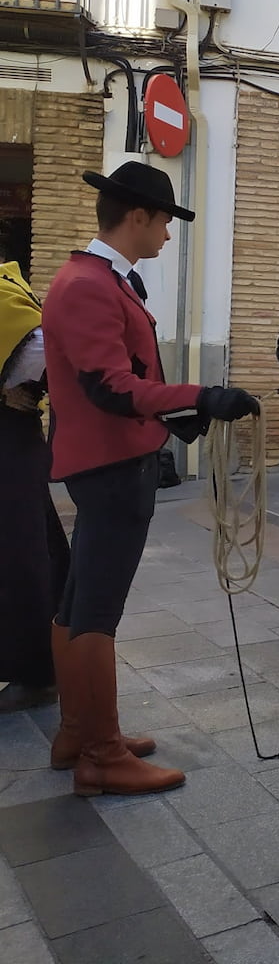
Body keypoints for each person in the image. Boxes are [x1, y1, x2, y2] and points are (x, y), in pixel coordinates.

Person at [41, 160, 260, 798]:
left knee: (78, 600)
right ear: (138, 216)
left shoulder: (102, 279)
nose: (167, 235)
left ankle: (78, 733)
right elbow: (111, 387)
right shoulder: (87, 283)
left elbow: (124, 377)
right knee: (96, 612)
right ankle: (101, 756)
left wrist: (184, 415)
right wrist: (202, 395)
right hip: (110, 468)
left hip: (109, 461)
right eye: (165, 221)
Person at [0, 228, 70, 712]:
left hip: (9, 442)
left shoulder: (6, 295)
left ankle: (38, 671)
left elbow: (46, 352)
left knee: (22, 554)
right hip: (13, 441)